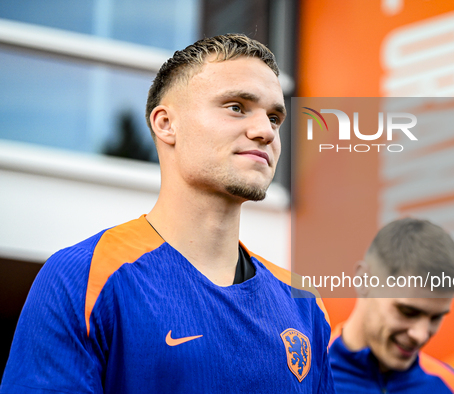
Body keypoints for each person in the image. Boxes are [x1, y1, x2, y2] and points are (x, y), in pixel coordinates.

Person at [0, 34, 334, 394]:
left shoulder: (304, 304)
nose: (265, 131)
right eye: (236, 107)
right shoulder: (84, 276)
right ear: (165, 124)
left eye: (274, 117)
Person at [329, 218, 454, 393]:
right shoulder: (307, 375)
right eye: (408, 312)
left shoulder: (451, 386)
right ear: (364, 280)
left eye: (436, 317)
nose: (420, 335)